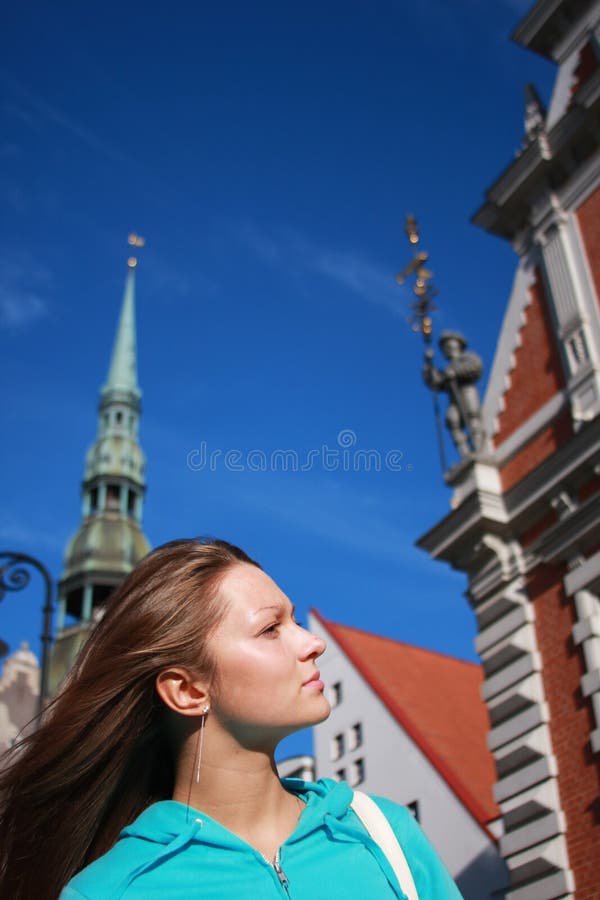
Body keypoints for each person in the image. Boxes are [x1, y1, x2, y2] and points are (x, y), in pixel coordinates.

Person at [0, 538, 462, 899]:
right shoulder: (109, 892)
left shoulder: (385, 835)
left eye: (295, 621)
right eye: (270, 629)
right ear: (188, 690)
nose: (312, 643)